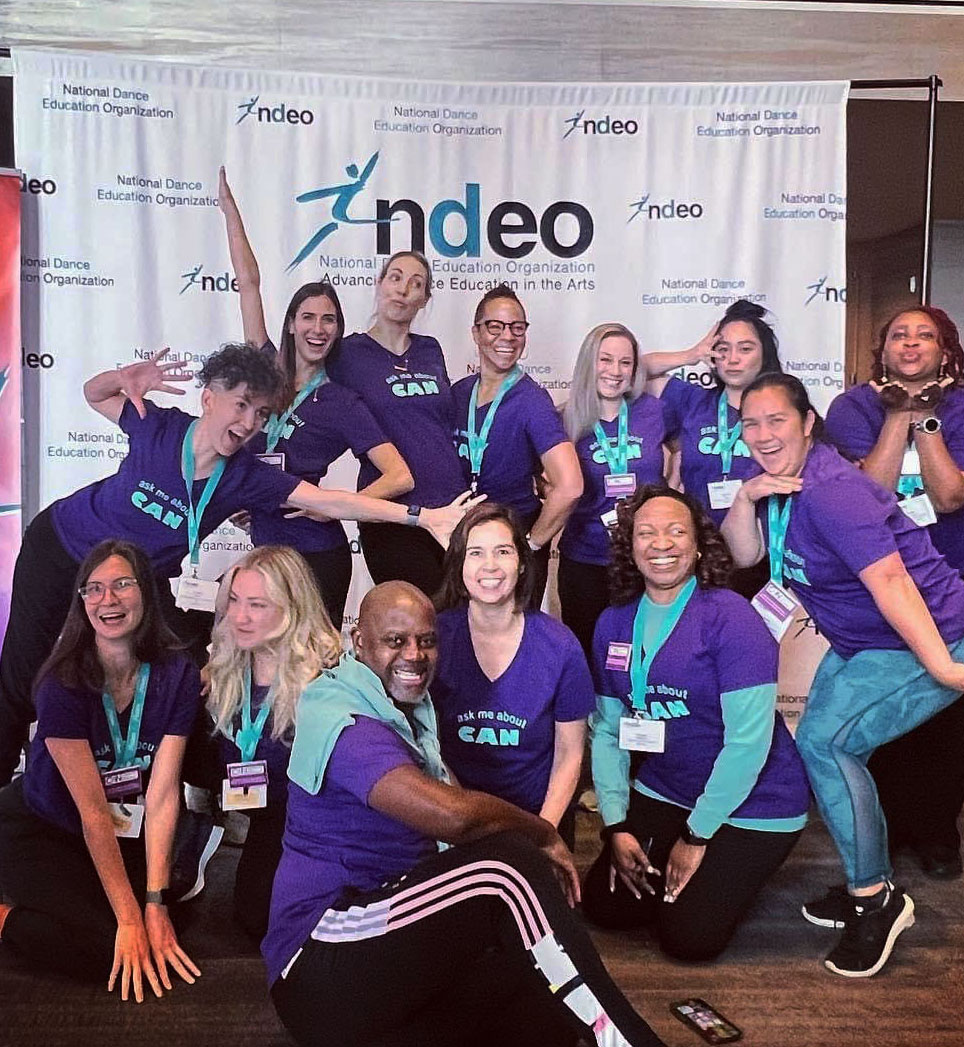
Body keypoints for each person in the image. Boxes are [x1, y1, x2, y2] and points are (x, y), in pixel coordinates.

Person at [0, 342, 472, 787]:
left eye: (261, 413)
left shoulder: (246, 476)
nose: (249, 423)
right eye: (242, 405)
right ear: (209, 398)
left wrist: (422, 516)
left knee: (189, 667)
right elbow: (94, 393)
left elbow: (331, 501)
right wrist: (122, 377)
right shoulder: (159, 426)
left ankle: (203, 786)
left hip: (139, 580)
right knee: (24, 674)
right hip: (61, 547)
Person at [263, 581, 665, 1047]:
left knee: (545, 1003)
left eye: (426, 641)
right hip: (320, 964)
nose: (414, 655)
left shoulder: (402, 705)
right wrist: (542, 834)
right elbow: (454, 818)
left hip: (381, 944)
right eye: (395, 640)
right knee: (505, 871)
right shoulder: (344, 717)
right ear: (360, 642)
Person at [721, 372, 964, 978]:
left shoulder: (832, 492)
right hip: (863, 642)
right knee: (824, 747)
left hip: (922, 636)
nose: (763, 434)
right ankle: (869, 881)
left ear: (808, 423)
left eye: (777, 420)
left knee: (828, 745)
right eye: (751, 423)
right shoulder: (781, 482)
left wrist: (942, 665)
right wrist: (747, 497)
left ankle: (874, 900)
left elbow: (892, 580)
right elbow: (745, 556)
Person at [581, 486, 808, 962]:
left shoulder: (733, 619)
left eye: (676, 531)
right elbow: (608, 731)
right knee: (606, 907)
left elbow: (748, 744)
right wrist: (616, 825)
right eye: (646, 533)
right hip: (668, 788)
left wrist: (695, 836)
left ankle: (728, 871)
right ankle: (695, 875)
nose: (661, 543)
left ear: (699, 544)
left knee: (688, 939)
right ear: (629, 546)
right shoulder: (613, 622)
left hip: (757, 802)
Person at [0, 540, 201, 1001]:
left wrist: (153, 904)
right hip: (46, 827)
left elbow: (163, 793)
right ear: (82, 601)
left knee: (166, 924)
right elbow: (92, 814)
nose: (107, 599)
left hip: (128, 823)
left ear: (146, 591)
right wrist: (130, 918)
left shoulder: (177, 673)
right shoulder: (62, 682)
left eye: (122, 584)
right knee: (107, 948)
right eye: (93, 589)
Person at [219, 169, 413, 625]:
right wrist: (229, 213)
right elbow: (249, 284)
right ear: (291, 324)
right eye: (308, 317)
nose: (318, 328)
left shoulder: (342, 402)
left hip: (318, 556)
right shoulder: (263, 371)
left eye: (329, 320)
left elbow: (399, 476)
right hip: (264, 552)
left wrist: (329, 506)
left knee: (313, 660)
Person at [825, 305, 964, 880]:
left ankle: (937, 833)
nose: (910, 344)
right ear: (881, 350)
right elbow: (870, 492)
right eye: (899, 336)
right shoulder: (850, 407)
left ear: (945, 351)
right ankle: (887, 828)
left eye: (924, 336)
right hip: (877, 580)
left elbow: (949, 497)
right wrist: (896, 413)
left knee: (945, 714)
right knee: (882, 706)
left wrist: (925, 417)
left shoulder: (961, 406)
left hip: (949, 580)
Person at [433, 503, 594, 847]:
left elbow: (570, 755)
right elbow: (427, 743)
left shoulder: (560, 646)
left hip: (539, 817)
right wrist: (462, 823)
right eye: (475, 553)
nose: (490, 565)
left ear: (521, 563)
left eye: (503, 551)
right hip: (456, 818)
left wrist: (543, 834)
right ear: (459, 565)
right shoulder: (434, 639)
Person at [203, 546, 342, 940]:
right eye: (234, 600)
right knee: (252, 918)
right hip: (263, 819)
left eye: (257, 605)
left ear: (292, 607)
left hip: (316, 829)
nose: (239, 617)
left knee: (287, 922)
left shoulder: (329, 679)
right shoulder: (224, 667)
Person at [326, 250, 467, 596]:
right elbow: (306, 408)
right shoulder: (346, 354)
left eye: (416, 284)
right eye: (396, 277)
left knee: (460, 619)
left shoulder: (430, 349)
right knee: (418, 616)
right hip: (392, 516)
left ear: (424, 299)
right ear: (379, 283)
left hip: (452, 510)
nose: (403, 289)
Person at [451, 285, 582, 605]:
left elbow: (570, 486)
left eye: (517, 327)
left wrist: (531, 545)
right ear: (476, 333)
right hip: (464, 538)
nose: (507, 336)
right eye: (495, 326)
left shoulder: (532, 400)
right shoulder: (459, 393)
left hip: (511, 539)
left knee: (513, 633)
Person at [644, 299, 783, 598]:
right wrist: (692, 354)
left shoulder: (783, 411)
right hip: (699, 550)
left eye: (745, 349)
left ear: (764, 355)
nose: (732, 359)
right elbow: (633, 371)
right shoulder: (693, 401)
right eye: (723, 349)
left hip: (764, 556)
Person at [559, 323, 669, 656]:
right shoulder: (564, 420)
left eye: (625, 362)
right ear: (588, 363)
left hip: (647, 557)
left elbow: (683, 453)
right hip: (586, 561)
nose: (615, 371)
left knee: (647, 653)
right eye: (605, 360)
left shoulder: (653, 411)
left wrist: (670, 493)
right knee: (588, 655)